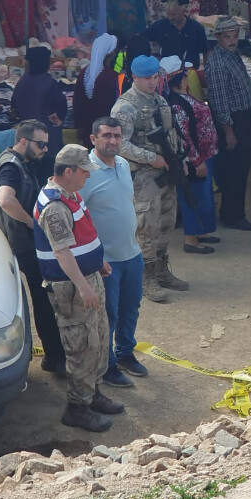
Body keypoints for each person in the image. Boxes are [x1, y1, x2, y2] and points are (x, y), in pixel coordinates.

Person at [33, 144, 124, 432]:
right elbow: (62, 253)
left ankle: (92, 392)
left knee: (98, 339)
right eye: (84, 171)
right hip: (72, 287)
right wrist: (84, 287)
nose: (88, 176)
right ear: (69, 171)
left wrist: (97, 262)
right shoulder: (55, 207)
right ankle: (77, 407)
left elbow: (82, 235)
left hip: (87, 278)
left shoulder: (70, 194)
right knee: (82, 347)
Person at [0, 119, 66, 378]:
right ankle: (54, 357)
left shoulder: (16, 161)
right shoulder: (11, 166)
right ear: (23, 141)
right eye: (40, 144)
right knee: (43, 300)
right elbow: (5, 200)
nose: (45, 149)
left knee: (40, 299)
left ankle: (53, 356)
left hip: (21, 243)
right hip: (24, 244)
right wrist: (32, 222)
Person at [111, 55, 187, 303]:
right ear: (134, 77)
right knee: (146, 227)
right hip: (143, 177)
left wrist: (179, 158)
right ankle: (145, 278)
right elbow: (120, 145)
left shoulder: (160, 101)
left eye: (155, 77)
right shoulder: (125, 107)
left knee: (166, 222)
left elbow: (172, 133)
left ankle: (161, 271)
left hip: (165, 172)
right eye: (147, 78)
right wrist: (150, 158)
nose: (152, 82)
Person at [82, 117, 150, 389]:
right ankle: (108, 365)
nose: (113, 141)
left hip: (131, 254)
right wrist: (94, 257)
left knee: (131, 307)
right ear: (93, 139)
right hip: (105, 261)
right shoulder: (85, 173)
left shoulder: (122, 164)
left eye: (117, 136)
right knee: (107, 314)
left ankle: (124, 353)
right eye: (107, 135)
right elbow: (78, 218)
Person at [206, 16, 251, 231]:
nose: (232, 41)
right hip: (231, 122)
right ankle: (233, 215)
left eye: (234, 36)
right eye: (227, 37)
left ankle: (234, 212)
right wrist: (229, 132)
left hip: (241, 117)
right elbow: (219, 102)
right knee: (234, 170)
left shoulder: (232, 55)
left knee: (240, 168)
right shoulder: (217, 63)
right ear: (218, 37)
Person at [167, 66, 221, 253]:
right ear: (182, 80)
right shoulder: (177, 104)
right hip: (195, 160)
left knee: (204, 195)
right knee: (193, 197)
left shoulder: (183, 98)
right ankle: (191, 239)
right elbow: (184, 136)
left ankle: (201, 231)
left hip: (205, 155)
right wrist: (196, 160)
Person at [11, 46, 67, 179]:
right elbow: (61, 106)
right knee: (47, 175)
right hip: (47, 139)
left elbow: (14, 106)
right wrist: (58, 119)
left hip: (27, 136)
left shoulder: (22, 82)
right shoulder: (49, 83)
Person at [74, 34, 120, 147]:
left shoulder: (84, 73)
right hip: (106, 130)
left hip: (86, 129)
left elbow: (77, 103)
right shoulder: (112, 76)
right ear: (111, 53)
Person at [145, 2, 209, 68]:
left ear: (183, 12)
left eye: (173, 14)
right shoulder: (161, 25)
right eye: (168, 14)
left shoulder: (196, 27)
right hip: (167, 69)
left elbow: (205, 50)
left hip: (191, 69)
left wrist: (206, 69)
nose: (170, 18)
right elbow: (143, 37)